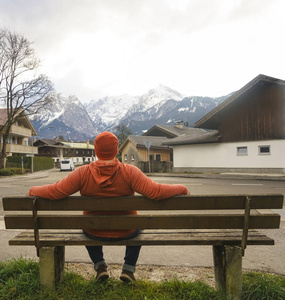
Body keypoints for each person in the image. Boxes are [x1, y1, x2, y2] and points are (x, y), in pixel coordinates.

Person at [28, 131, 189, 283]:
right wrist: (180, 188)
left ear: (96, 150)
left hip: (94, 232)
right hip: (128, 231)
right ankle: (128, 269)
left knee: (86, 224)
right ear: (116, 149)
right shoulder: (130, 172)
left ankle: (100, 266)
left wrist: (33, 190)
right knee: (139, 224)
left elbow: (56, 192)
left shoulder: (82, 173)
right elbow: (156, 192)